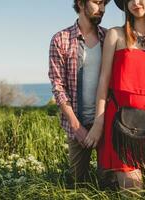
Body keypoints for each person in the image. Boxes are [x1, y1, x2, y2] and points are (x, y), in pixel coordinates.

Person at [84, 0, 145, 189]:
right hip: (121, 119)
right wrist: (99, 121)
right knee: (133, 189)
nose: (136, 2)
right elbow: (104, 81)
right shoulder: (116, 34)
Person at [48, 0, 111, 182]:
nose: (102, 9)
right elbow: (58, 87)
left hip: (106, 124)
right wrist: (77, 128)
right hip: (77, 126)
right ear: (81, 3)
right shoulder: (61, 39)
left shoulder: (108, 38)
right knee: (78, 183)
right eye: (97, 2)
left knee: (108, 182)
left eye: (104, 4)